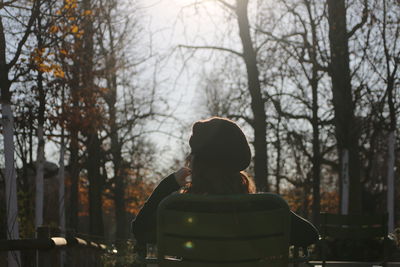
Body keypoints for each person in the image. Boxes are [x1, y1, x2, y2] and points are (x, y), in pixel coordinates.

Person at [131, 117, 319, 256]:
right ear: (238, 163)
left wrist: (169, 184)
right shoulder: (265, 207)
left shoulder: (180, 208)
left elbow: (140, 230)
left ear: (195, 165)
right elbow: (309, 235)